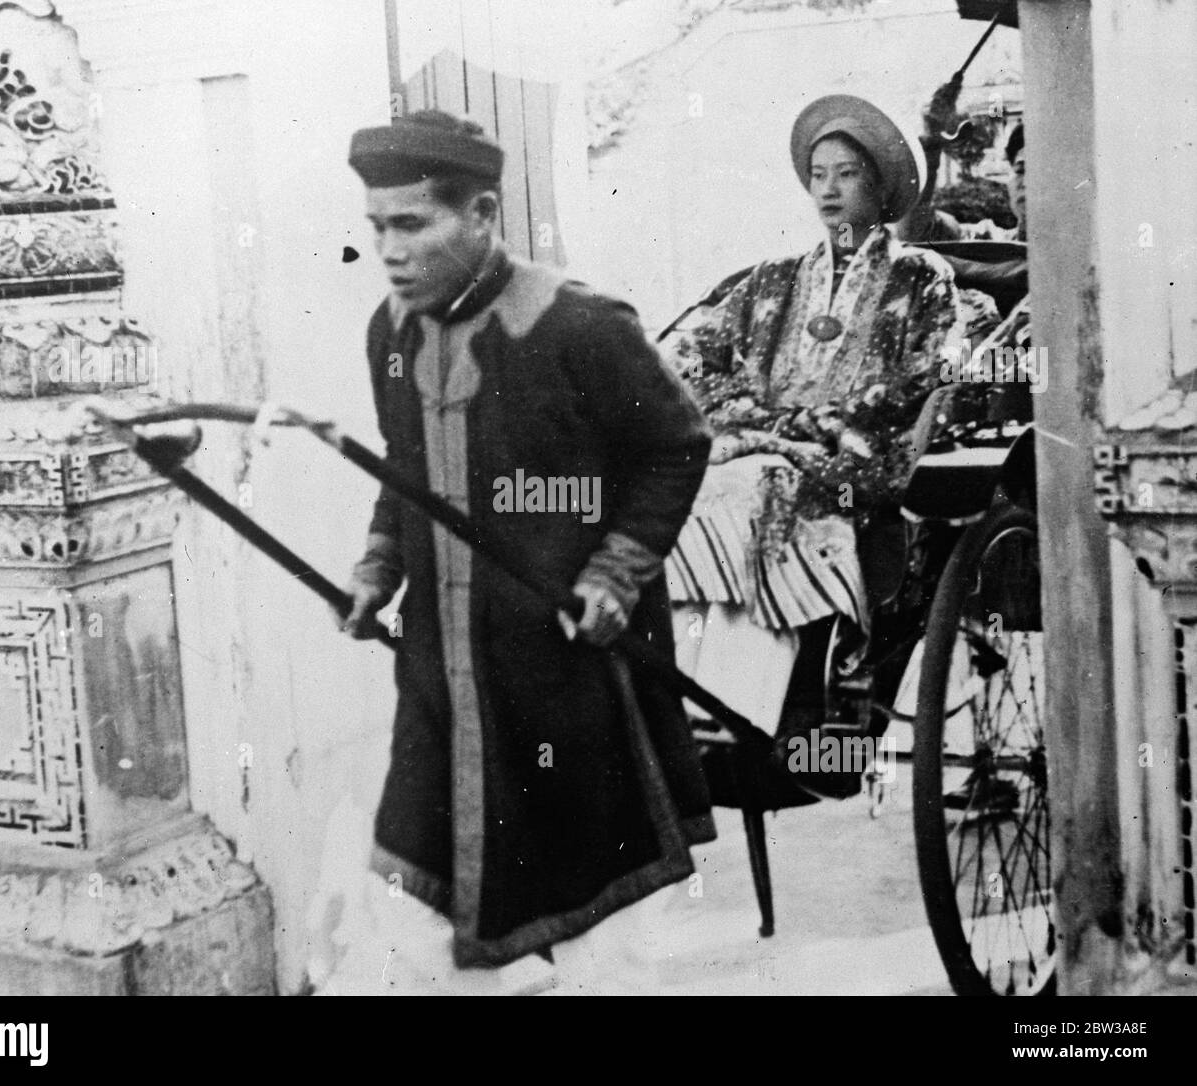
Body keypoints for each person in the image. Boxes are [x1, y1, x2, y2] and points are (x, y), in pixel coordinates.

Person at [336, 109, 714, 993]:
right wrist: (377, 568)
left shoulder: (581, 327)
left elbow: (675, 445)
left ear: (484, 213)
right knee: (415, 911)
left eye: (413, 224)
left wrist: (617, 572)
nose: (391, 251)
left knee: (601, 934)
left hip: (573, 676)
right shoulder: (389, 335)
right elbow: (406, 467)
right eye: (378, 228)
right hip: (442, 675)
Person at [667, 95, 962, 780]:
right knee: (699, 488)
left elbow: (933, 373)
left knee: (766, 485)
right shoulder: (772, 278)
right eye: (818, 173)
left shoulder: (922, 278)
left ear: (880, 185)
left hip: (857, 451)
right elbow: (692, 351)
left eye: (847, 173)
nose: (828, 188)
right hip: (763, 442)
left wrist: (825, 424)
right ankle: (707, 704)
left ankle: (796, 722)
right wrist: (748, 412)